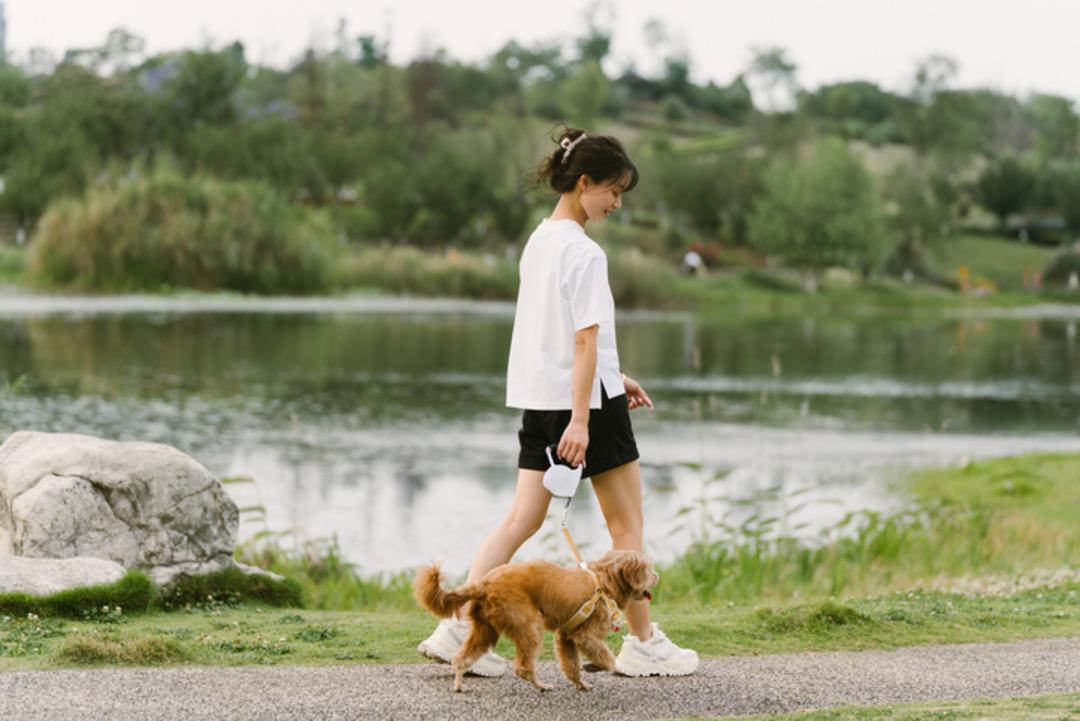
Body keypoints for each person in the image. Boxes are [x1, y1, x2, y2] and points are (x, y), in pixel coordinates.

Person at [418, 127, 699, 678]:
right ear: (584, 182)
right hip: (584, 408)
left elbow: (562, 335)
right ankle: (642, 644)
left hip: (543, 399)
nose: (618, 203)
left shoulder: (539, 240)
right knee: (628, 528)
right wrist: (584, 417)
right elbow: (583, 340)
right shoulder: (586, 254)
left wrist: (617, 375)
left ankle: (456, 630)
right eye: (613, 191)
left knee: (522, 517)